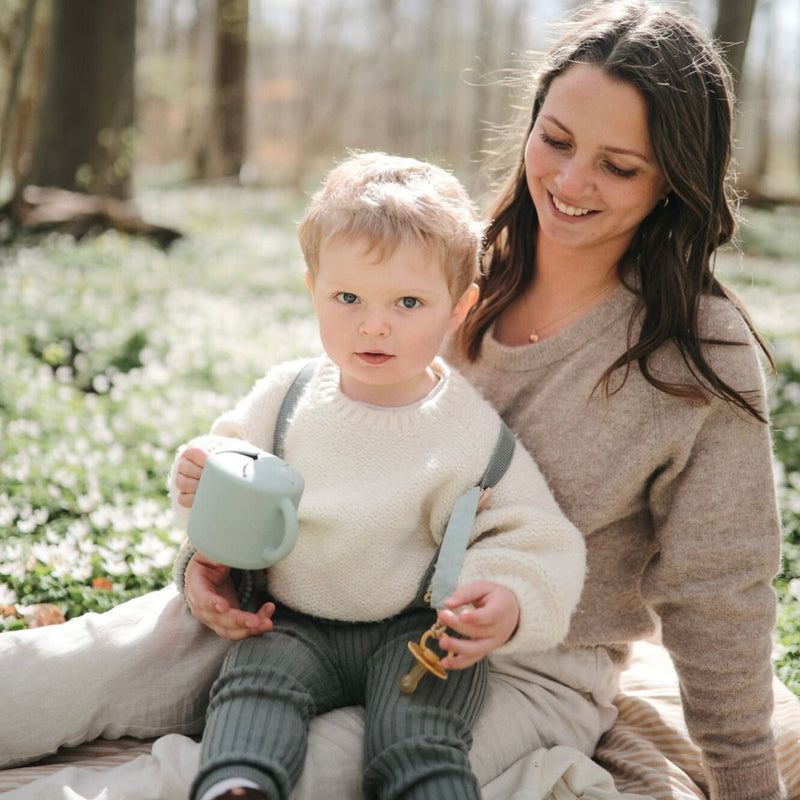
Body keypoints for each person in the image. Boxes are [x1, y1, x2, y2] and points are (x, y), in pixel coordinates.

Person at [0, 2, 795, 799]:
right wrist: (210, 560)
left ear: (674, 181)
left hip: (507, 664)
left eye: (618, 166)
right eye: (555, 140)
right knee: (76, 667)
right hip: (312, 608)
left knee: (273, 774)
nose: (570, 181)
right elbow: (313, 427)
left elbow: (718, 590)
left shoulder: (697, 352)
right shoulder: (442, 263)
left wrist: (752, 785)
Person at [170, 151, 587, 800]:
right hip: (292, 621)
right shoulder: (288, 395)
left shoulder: (471, 432)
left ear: (457, 307)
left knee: (420, 731)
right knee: (254, 686)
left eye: (409, 302)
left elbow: (534, 536)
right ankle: (238, 787)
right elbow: (232, 462)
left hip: (414, 627)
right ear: (312, 289)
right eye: (347, 297)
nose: (373, 324)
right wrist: (200, 477)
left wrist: (507, 600)